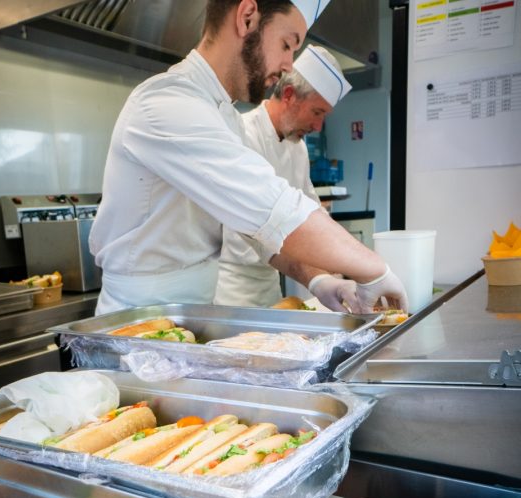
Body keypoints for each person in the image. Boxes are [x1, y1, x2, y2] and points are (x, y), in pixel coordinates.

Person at [89, 0, 408, 316]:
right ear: (246, 18)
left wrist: (320, 281)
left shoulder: (224, 117)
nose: (288, 65)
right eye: (287, 44)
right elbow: (272, 209)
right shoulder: (166, 102)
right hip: (135, 322)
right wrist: (374, 269)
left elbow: (257, 233)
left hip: (190, 316)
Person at [215, 44, 357, 310]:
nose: (318, 127)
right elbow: (260, 229)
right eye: (317, 113)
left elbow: (312, 213)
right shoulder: (242, 135)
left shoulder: (297, 147)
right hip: (231, 291)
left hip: (271, 284)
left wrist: (346, 267)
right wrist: (319, 277)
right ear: (290, 95)